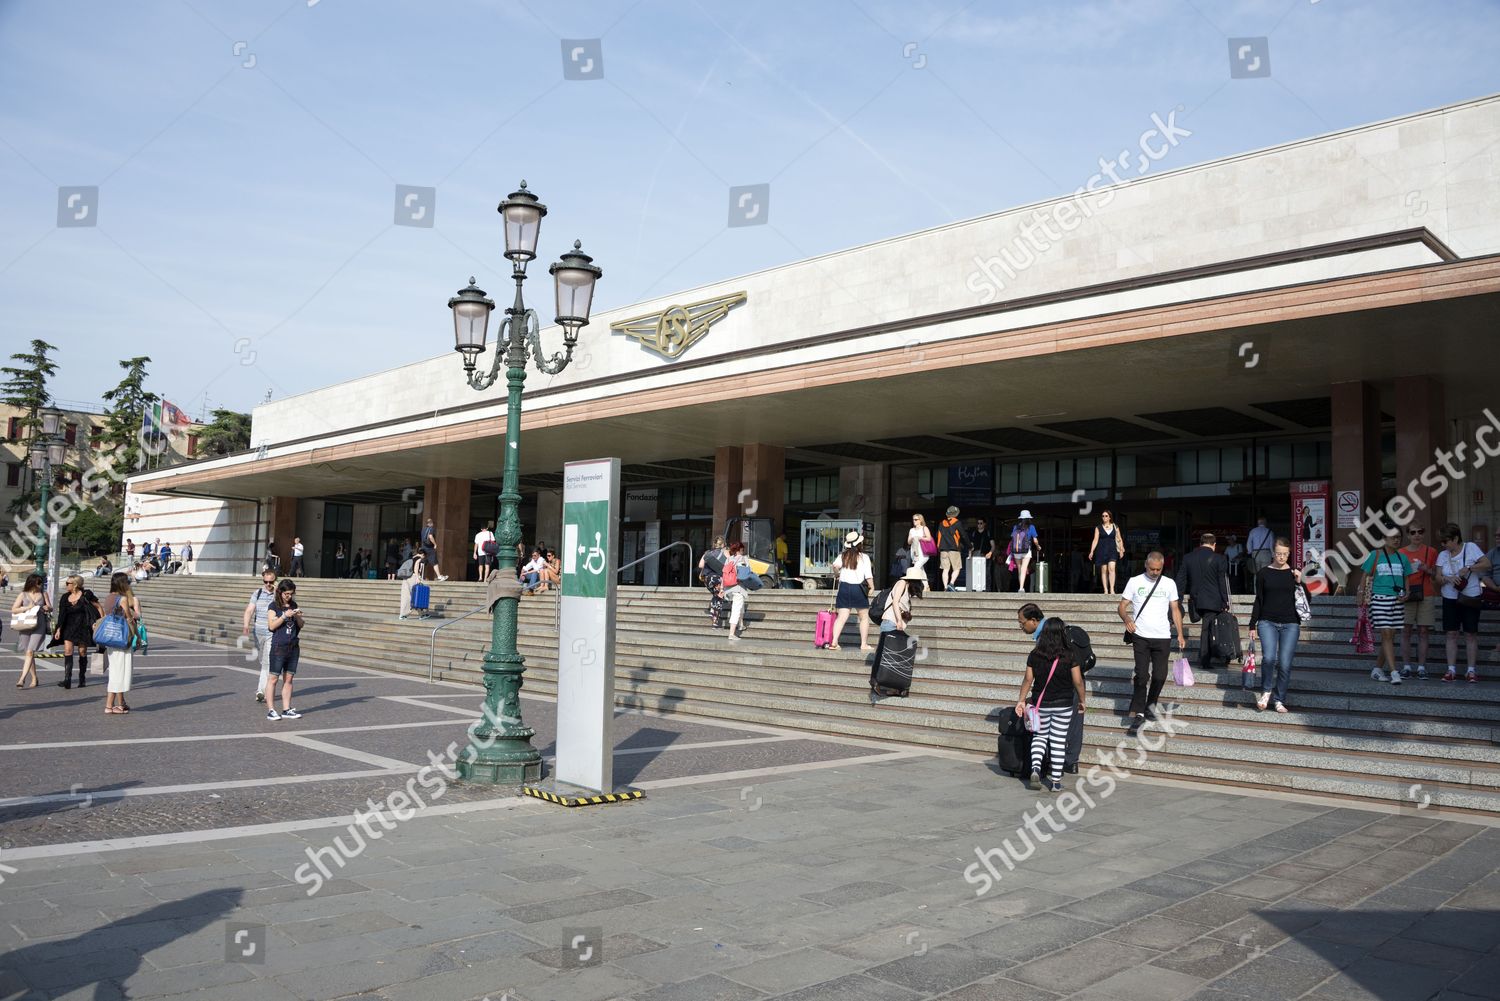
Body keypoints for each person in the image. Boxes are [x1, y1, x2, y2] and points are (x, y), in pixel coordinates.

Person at [1014, 617, 1088, 792]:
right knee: (1058, 740)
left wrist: (1021, 700)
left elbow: (1028, 679)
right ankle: (1055, 782)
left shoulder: (1035, 654)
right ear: (1062, 633)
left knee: (1039, 737)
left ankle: (1035, 770)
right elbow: (1077, 681)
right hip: (1064, 704)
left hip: (1042, 704)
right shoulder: (1070, 654)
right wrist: (1083, 700)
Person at [1117, 551, 1186, 732]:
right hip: (1140, 635)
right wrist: (1127, 620)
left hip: (1162, 636)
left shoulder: (1169, 583)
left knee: (1160, 676)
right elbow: (1122, 606)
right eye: (1152, 569)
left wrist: (1180, 634)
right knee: (1141, 675)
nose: (1155, 572)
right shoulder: (1135, 581)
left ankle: (1151, 705)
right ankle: (1139, 712)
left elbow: (1175, 610)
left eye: (1159, 569)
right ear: (1146, 566)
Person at [1249, 538, 1304, 713]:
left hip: (1291, 623)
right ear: (1273, 553)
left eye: (1285, 554)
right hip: (1267, 621)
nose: (1282, 557)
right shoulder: (1264, 573)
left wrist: (1299, 582)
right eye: (1279, 553)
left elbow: (1306, 600)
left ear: (1289, 554)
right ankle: (1266, 692)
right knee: (1269, 658)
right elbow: (1259, 599)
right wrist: (1252, 624)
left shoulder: (1294, 573)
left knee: (1285, 663)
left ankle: (1279, 699)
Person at [1435, 522, 1491, 683]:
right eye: (1442, 542)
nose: (1443, 545)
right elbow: (1437, 577)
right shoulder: (1443, 555)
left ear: (1456, 538)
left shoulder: (1471, 547)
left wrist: (1469, 568)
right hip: (1450, 597)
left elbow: (1487, 563)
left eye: (1446, 541)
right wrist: (1447, 578)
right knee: (1451, 633)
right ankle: (1451, 669)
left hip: (1470, 596)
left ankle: (1471, 670)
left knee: (1470, 634)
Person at [1360, 531, 1411, 686]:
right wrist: (1361, 595)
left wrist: (1407, 593)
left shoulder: (1403, 557)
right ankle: (1394, 672)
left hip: (1397, 600)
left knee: (1390, 636)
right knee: (1387, 634)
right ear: (1384, 539)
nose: (1397, 540)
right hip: (1379, 598)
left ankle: (1377, 669)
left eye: (1399, 537)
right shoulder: (1375, 555)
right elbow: (1364, 576)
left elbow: (1406, 577)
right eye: (1393, 537)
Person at [1178, 533, 1232, 669]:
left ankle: (1210, 655)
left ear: (1200, 544)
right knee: (1208, 629)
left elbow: (1181, 579)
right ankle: (1205, 659)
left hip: (1196, 599)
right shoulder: (1220, 559)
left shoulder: (1188, 558)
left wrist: (1178, 599)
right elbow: (1222, 582)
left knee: (1207, 628)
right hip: (1213, 600)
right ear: (1214, 545)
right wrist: (1226, 601)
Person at [1397, 525, 1439, 679]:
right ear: (1408, 535)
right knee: (1406, 630)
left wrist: (1427, 570)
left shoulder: (1431, 551)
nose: (1417, 535)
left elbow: (1436, 575)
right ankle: (1407, 666)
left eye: (1420, 531)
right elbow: (1396, 575)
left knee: (1423, 631)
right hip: (1407, 593)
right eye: (1413, 532)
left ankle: (1421, 667)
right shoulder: (1401, 552)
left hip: (1426, 593)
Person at [828, 531, 875, 652]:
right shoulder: (864, 557)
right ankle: (863, 644)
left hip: (844, 588)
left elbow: (835, 567)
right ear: (859, 543)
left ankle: (834, 642)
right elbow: (868, 575)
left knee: (841, 617)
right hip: (858, 588)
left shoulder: (842, 556)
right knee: (864, 617)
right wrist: (872, 587)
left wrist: (837, 573)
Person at [53, 575, 102, 690]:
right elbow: (61, 614)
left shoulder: (86, 594)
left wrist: (100, 622)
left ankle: (82, 678)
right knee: (68, 651)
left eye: (67, 583)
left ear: (75, 584)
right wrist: (59, 628)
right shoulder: (65, 597)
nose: (66, 585)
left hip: (83, 627)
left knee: (82, 652)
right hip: (69, 627)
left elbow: (98, 607)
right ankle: (67, 679)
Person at [100, 572, 140, 715]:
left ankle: (119, 703)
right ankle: (109, 706)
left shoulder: (109, 598)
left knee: (116, 671)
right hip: (122, 639)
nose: (128, 584)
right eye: (127, 581)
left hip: (111, 638)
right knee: (119, 673)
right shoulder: (122, 599)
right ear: (122, 583)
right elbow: (131, 619)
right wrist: (138, 636)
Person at [264, 579, 305, 720]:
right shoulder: (273, 606)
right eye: (286, 593)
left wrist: (298, 616)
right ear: (280, 592)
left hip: (293, 647)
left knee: (289, 679)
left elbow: (301, 625)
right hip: (279, 646)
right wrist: (284, 616)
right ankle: (271, 710)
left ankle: (286, 709)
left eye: (291, 594)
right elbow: (271, 626)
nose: (289, 596)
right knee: (273, 678)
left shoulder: (293, 604)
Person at [243, 568, 279, 703]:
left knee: (267, 662)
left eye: (271, 581)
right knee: (262, 661)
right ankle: (266, 687)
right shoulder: (257, 593)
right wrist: (246, 625)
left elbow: (288, 603)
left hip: (272, 631)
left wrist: (277, 590)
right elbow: (249, 610)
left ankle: (261, 691)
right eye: (266, 581)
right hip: (258, 632)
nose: (268, 584)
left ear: (275, 580)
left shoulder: (278, 593)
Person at [10, 573, 52, 689]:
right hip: (25, 625)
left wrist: (47, 608)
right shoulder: (23, 594)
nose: (40, 585)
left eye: (41, 582)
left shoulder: (43, 594)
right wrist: (27, 608)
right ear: (32, 583)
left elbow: (50, 607)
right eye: (38, 583)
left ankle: (21, 678)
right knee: (29, 653)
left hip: (39, 624)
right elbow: (14, 609)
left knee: (30, 651)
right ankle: (34, 677)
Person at [879, 565, 926, 635]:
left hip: (894, 624)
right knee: (889, 645)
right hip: (891, 622)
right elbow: (895, 602)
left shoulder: (907, 587)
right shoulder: (902, 583)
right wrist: (899, 621)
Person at [1088, 510, 1126, 596]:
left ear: (1109, 517)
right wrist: (1091, 551)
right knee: (1104, 570)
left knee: (1111, 568)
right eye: (1103, 516)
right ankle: (1105, 589)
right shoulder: (1098, 528)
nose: (1104, 517)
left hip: (1112, 551)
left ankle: (1112, 589)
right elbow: (1095, 540)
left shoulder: (1115, 526)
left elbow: (1119, 539)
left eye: (1106, 516)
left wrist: (1120, 550)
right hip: (1101, 551)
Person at [721, 541, 751, 641]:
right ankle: (731, 634)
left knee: (740, 605)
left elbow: (723, 575)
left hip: (728, 588)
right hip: (738, 587)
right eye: (742, 549)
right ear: (740, 549)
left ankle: (741, 624)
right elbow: (748, 573)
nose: (743, 551)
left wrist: (721, 588)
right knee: (736, 609)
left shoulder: (729, 559)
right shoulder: (744, 558)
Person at [1006, 510, 1042, 593]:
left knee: (1019, 569)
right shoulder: (1031, 527)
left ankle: (1021, 587)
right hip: (1026, 551)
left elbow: (1012, 538)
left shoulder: (1016, 527)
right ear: (1029, 518)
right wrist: (1038, 546)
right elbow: (1035, 540)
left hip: (1016, 551)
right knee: (1024, 568)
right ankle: (1021, 588)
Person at [699, 537, 729, 629]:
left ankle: (712, 606)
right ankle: (715, 622)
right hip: (718, 579)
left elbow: (700, 565)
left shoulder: (707, 553)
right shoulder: (725, 552)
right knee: (719, 598)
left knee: (716, 595)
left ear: (714, 544)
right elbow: (728, 565)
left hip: (707, 579)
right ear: (723, 544)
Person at [936, 506, 967, 591]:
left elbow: (938, 536)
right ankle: (951, 583)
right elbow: (963, 535)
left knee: (945, 569)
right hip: (954, 549)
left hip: (943, 549)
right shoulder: (957, 523)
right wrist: (969, 545)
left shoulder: (941, 523)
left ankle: (945, 587)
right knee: (956, 568)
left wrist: (939, 547)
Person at [399, 552, 429, 619]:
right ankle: (423, 614)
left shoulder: (412, 558)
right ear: (423, 554)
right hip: (413, 577)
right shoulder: (419, 559)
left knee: (406, 596)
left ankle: (403, 614)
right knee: (418, 596)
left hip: (406, 578)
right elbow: (416, 568)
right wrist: (418, 577)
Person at [1246, 516, 1275, 583]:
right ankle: (1265, 591)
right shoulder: (1269, 532)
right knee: (1266, 573)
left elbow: (1249, 543)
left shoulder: (1252, 531)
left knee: (1256, 573)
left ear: (1258, 523)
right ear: (1265, 523)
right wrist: (1273, 555)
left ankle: (1256, 591)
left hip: (1255, 554)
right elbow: (1271, 545)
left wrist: (1250, 551)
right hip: (1266, 553)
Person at [970, 518, 994, 592]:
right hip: (976, 554)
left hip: (985, 555)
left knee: (986, 573)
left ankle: (987, 590)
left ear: (984, 524)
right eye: (978, 523)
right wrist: (970, 554)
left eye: (981, 523)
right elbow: (972, 545)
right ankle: (975, 589)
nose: (979, 525)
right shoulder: (974, 533)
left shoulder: (988, 532)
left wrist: (990, 552)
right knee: (975, 572)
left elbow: (993, 545)